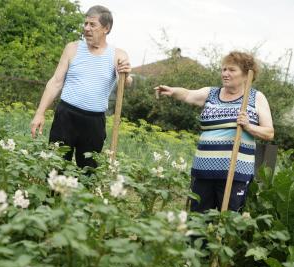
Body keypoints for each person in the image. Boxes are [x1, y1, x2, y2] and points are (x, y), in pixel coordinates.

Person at [155, 51, 274, 213]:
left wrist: (248, 126)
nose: (225, 74)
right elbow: (189, 94)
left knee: (229, 221)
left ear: (246, 74)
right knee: (198, 220)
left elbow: (269, 133)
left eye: (231, 70)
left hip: (235, 173)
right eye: (223, 69)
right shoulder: (211, 93)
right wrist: (172, 91)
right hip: (203, 170)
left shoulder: (255, 98)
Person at [30, 5, 132, 168]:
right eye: (85, 24)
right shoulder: (72, 48)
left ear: (106, 28)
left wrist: (127, 76)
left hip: (94, 122)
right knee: (55, 168)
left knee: (88, 173)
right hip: (66, 117)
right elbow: (56, 81)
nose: (86, 28)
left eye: (92, 25)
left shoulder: (118, 55)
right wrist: (39, 113)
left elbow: (125, 82)